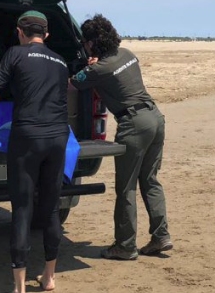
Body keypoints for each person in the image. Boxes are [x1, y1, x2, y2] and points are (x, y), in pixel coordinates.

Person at [0, 10, 70, 293]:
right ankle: (49, 277)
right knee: (52, 207)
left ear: (20, 31)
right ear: (46, 35)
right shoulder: (60, 61)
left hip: (27, 138)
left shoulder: (15, 54)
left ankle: (19, 292)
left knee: (22, 208)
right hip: (58, 138)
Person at [70, 14, 171, 260]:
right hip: (154, 117)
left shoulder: (98, 68)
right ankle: (161, 236)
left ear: (93, 42)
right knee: (150, 180)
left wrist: (88, 67)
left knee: (126, 187)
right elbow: (108, 70)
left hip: (133, 124)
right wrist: (94, 65)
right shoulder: (127, 54)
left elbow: (72, 84)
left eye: (86, 41)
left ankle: (125, 245)